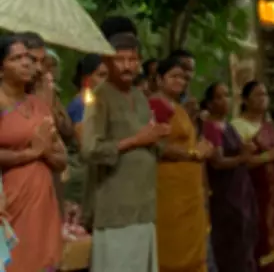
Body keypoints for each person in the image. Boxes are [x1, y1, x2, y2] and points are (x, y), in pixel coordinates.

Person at [82, 17, 171, 272]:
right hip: (115, 209)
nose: (127, 66)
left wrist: (158, 136)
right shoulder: (99, 97)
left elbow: (151, 145)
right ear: (107, 62)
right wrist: (136, 140)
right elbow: (90, 150)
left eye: (132, 60)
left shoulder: (140, 97)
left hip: (144, 207)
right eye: (120, 60)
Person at [0, 35, 64, 272]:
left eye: (27, 57)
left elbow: (61, 158)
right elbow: (37, 149)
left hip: (43, 199)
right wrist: (31, 153)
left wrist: (46, 152)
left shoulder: (39, 104)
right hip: (10, 199)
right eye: (16, 58)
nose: (26, 63)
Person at [150, 56, 213, 272]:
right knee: (173, 247)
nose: (180, 81)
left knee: (193, 245)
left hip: (189, 189)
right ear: (160, 80)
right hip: (170, 189)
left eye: (183, 78)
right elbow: (157, 145)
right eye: (174, 76)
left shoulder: (179, 108)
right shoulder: (156, 105)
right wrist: (193, 153)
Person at [232, 81, 274, 271]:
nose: (263, 99)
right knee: (261, 239)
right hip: (254, 194)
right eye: (258, 95)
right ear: (245, 100)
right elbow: (243, 162)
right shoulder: (238, 126)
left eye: (265, 94)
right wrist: (270, 156)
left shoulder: (267, 124)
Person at [202, 82, 258, 272]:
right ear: (210, 103)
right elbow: (218, 162)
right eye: (219, 97)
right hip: (225, 195)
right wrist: (242, 158)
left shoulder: (227, 125)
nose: (225, 100)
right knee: (231, 245)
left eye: (227, 96)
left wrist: (247, 148)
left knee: (245, 241)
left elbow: (240, 148)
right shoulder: (211, 128)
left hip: (240, 191)